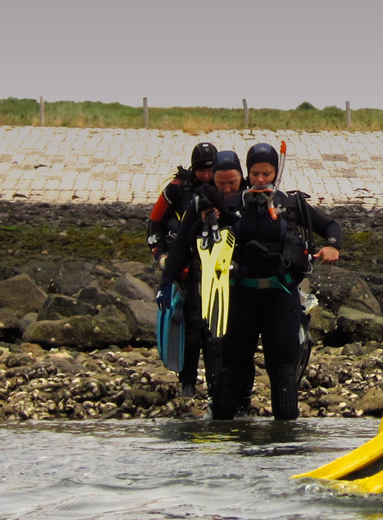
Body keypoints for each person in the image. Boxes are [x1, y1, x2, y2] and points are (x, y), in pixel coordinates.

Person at [160, 143, 343, 420]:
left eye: (266, 174)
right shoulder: (226, 204)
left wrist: (332, 245)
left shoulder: (290, 204)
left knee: (282, 369)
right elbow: (185, 243)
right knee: (232, 367)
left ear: (275, 173)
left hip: (280, 297)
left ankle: (285, 436)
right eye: (255, 174)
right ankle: (223, 430)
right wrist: (166, 283)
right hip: (241, 297)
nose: (260, 180)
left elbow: (331, 226)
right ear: (248, 174)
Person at [147, 142, 218, 398]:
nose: (207, 176)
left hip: (217, 271)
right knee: (192, 327)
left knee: (215, 330)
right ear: (193, 169)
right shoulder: (176, 189)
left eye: (211, 171)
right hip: (185, 269)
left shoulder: (226, 186)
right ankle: (188, 383)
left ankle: (217, 385)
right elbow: (154, 224)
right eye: (202, 171)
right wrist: (161, 257)